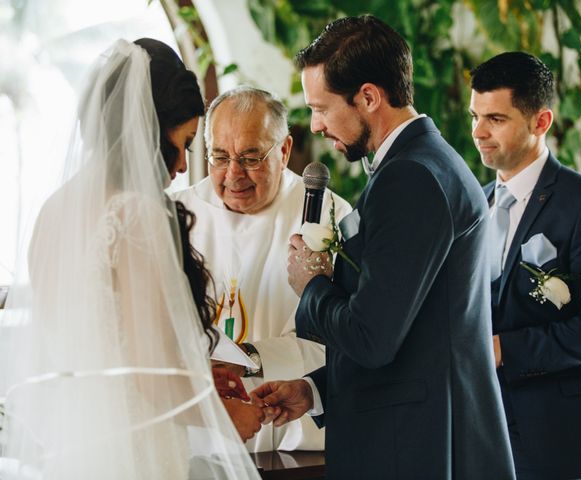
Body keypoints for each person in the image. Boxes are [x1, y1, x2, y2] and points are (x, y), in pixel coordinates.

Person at [251, 15, 515, 479]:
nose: (315, 125)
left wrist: (311, 284)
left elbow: (372, 338)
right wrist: (315, 390)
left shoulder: (410, 176)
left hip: (419, 449)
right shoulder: (424, 163)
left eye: (322, 107)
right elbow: (417, 335)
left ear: (369, 97)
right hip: (420, 437)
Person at [0, 39, 260, 479]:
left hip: (79, 447)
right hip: (137, 449)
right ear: (149, 130)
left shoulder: (54, 211)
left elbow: (91, 351)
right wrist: (226, 415)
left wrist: (196, 373)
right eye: (183, 143)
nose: (181, 165)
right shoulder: (134, 214)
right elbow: (150, 376)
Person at [469, 51, 581, 480]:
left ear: (540, 122)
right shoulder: (477, 207)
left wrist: (507, 349)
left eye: (496, 119)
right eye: (475, 116)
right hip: (492, 439)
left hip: (570, 443)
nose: (478, 132)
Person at [173, 85, 351, 452]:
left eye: (251, 158)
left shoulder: (330, 217)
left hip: (296, 443)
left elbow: (345, 341)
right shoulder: (176, 215)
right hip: (202, 440)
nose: (233, 174)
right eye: (219, 157)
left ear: (284, 151)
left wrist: (252, 360)